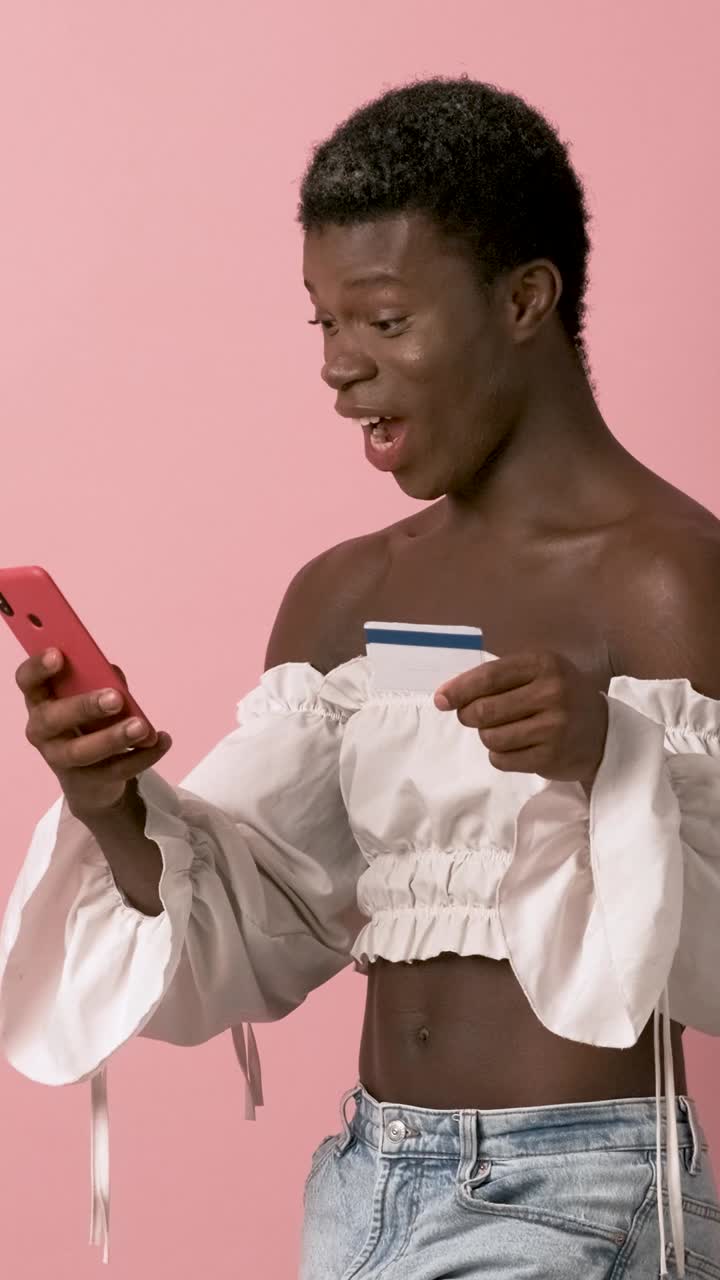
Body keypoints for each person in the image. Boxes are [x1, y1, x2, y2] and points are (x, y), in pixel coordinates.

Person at [2, 76, 720, 1280]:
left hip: (583, 1193)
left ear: (526, 298)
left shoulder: (670, 580)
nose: (340, 368)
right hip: (363, 1186)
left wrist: (613, 753)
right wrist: (115, 804)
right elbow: (266, 920)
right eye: (324, 323)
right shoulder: (344, 596)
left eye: (385, 321)